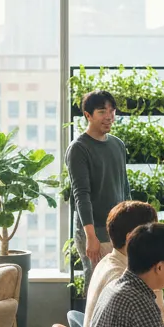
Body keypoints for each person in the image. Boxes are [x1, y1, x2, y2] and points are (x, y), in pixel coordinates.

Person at [67, 90, 130, 278]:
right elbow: (81, 194)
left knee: (119, 287)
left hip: (119, 232)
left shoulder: (117, 145)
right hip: (95, 232)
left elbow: (124, 187)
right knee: (97, 286)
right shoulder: (79, 148)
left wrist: (131, 226)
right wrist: (90, 237)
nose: (109, 117)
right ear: (88, 115)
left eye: (112, 111)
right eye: (102, 111)